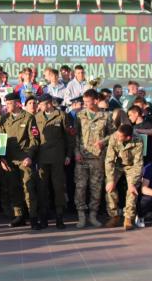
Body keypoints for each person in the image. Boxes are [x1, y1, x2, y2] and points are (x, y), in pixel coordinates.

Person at [74, 89, 115, 228]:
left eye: (87, 101)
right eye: (84, 102)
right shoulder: (80, 115)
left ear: (96, 101)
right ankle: (81, 216)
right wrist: (76, 152)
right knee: (80, 187)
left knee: (96, 188)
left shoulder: (106, 116)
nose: (85, 104)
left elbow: (113, 134)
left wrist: (103, 142)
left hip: (97, 158)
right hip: (82, 157)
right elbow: (75, 136)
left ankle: (93, 215)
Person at [1, 92, 40, 229]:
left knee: (28, 188)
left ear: (17, 103)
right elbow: (1, 139)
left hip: (24, 159)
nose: (6, 106)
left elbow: (35, 139)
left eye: (9, 103)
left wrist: (29, 156)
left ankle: (33, 217)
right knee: (14, 189)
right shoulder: (4, 119)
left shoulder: (28, 118)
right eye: (6, 103)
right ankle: (19, 216)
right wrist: (2, 159)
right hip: (10, 160)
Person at [35, 94, 73, 229]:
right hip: (42, 157)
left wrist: (68, 155)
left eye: (42, 104)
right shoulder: (37, 117)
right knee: (42, 188)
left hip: (57, 157)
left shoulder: (61, 115)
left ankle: (59, 217)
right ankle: (43, 217)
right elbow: (34, 138)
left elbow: (69, 137)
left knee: (58, 187)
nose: (39, 106)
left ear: (49, 104)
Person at [104, 124, 143, 230]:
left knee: (132, 190)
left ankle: (128, 218)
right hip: (117, 165)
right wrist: (111, 180)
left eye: (120, 136)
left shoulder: (138, 140)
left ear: (128, 137)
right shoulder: (114, 137)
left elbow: (138, 164)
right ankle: (114, 216)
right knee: (109, 187)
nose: (117, 136)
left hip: (131, 166)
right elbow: (109, 160)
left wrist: (132, 183)